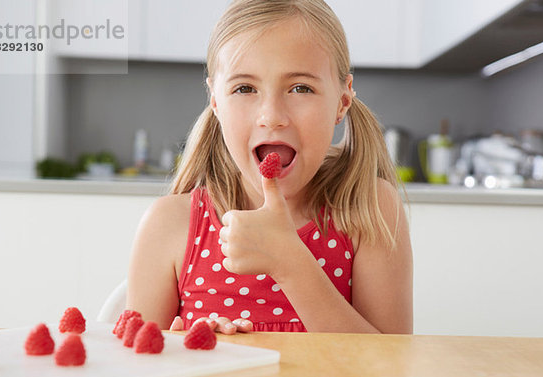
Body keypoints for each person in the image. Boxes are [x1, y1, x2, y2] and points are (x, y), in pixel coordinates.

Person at [126, 0, 413, 334]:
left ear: (342, 101)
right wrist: (177, 353)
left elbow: (389, 369)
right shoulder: (169, 224)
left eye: (301, 88)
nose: (272, 116)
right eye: (245, 88)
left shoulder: (369, 209)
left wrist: (291, 264)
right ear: (216, 101)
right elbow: (138, 370)